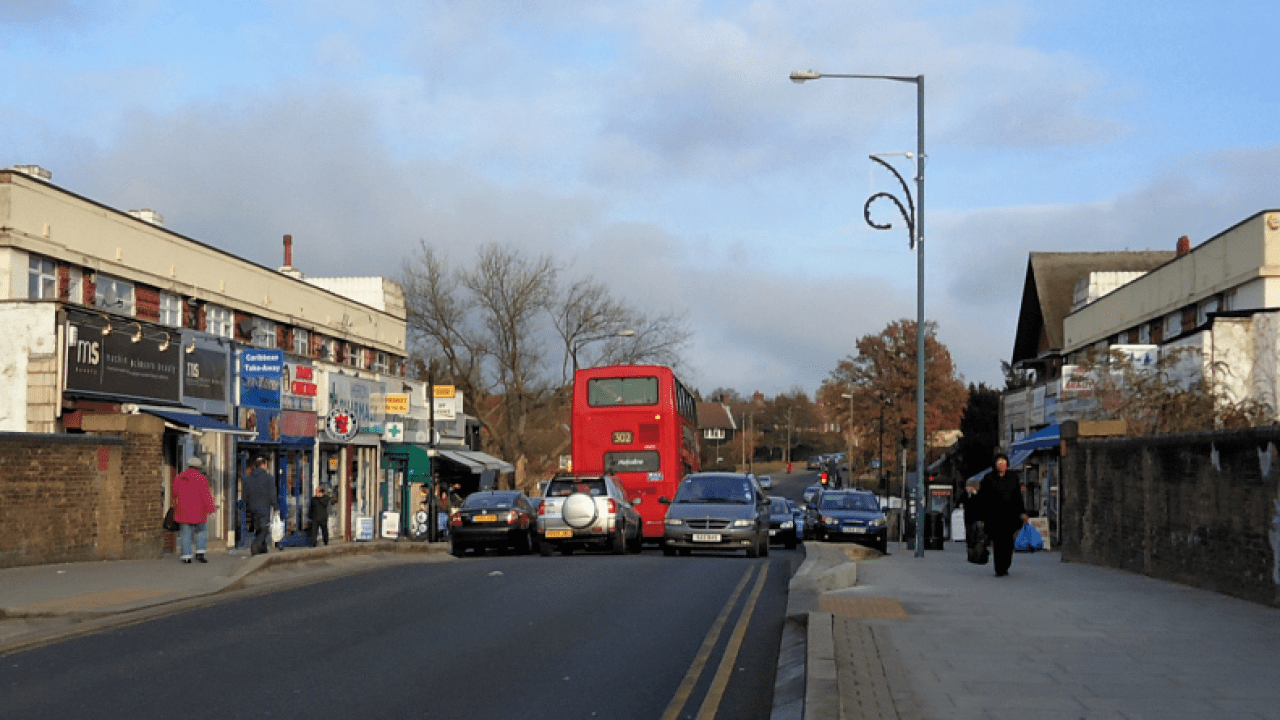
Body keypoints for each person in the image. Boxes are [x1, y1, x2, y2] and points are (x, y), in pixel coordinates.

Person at [976, 452, 1029, 577]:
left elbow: (1017, 497)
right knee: (998, 543)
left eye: (1004, 462)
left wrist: (1022, 512)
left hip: (1010, 516)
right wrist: (981, 517)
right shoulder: (988, 478)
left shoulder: (1013, 477)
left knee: (1008, 543)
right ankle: (999, 568)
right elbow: (983, 498)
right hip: (994, 517)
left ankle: (1006, 564)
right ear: (995, 464)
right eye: (999, 462)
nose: (1002, 465)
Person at [172, 456, 217, 564]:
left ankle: (186, 556)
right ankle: (200, 553)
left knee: (185, 534)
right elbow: (207, 496)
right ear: (198, 467)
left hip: (184, 510)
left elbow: (174, 492)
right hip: (199, 510)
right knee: (201, 532)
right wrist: (211, 510)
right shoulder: (201, 478)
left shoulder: (180, 477)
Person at [243, 455, 278, 555]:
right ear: (264, 464)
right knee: (264, 529)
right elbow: (272, 494)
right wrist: (276, 507)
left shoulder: (248, 479)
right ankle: (255, 545)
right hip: (264, 507)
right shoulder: (269, 478)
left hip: (252, 508)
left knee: (258, 528)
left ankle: (262, 549)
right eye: (266, 464)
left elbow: (245, 495)